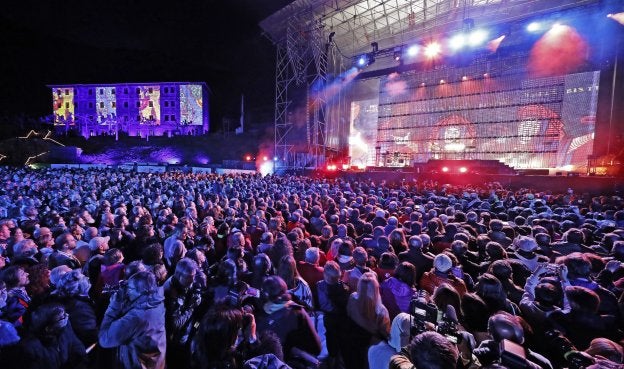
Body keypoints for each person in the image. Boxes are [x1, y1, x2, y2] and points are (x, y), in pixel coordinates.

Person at [98, 271, 166, 369]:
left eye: (130, 289)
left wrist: (113, 307)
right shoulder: (156, 300)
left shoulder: (137, 317)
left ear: (141, 292)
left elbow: (104, 339)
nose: (127, 292)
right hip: (154, 362)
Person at [13, 302, 87, 369]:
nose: (67, 317)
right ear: (48, 328)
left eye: (65, 314)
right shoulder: (30, 348)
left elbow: (76, 344)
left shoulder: (64, 329)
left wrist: (78, 359)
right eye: (62, 318)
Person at [344, 271, 390, 369]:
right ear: (375, 289)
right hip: (370, 349)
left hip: (351, 344)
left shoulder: (352, 297)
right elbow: (386, 334)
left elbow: (348, 314)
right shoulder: (381, 310)